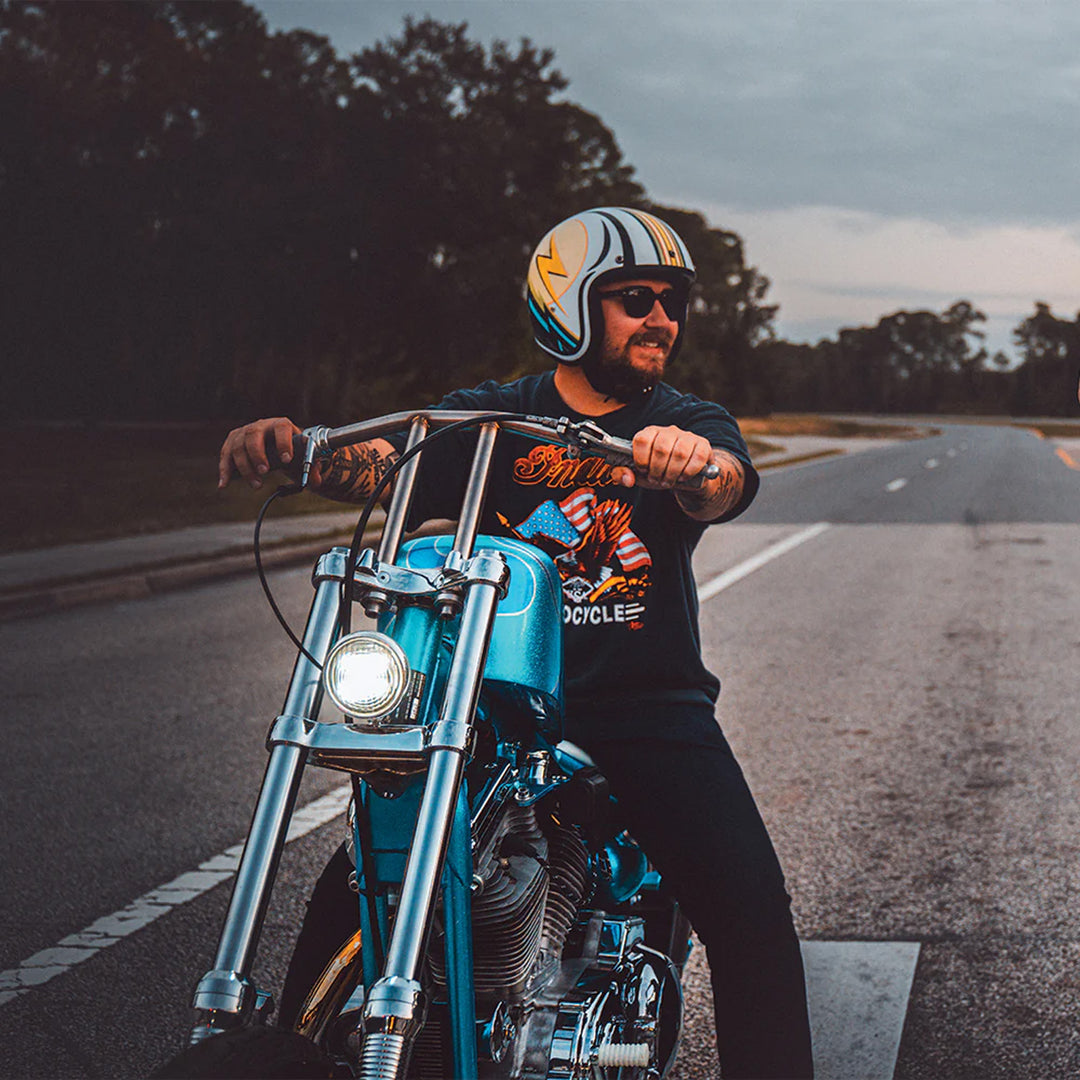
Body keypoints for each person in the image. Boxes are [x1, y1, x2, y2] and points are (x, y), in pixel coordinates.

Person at [219, 207, 814, 1079]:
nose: (663, 319)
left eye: (672, 301)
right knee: (358, 883)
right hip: (493, 705)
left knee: (754, 917)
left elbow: (723, 482)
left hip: (643, 705)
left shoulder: (685, 421)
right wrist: (304, 454)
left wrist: (694, 464)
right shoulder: (489, 419)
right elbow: (390, 458)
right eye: (634, 299)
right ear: (569, 306)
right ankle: (295, 1052)